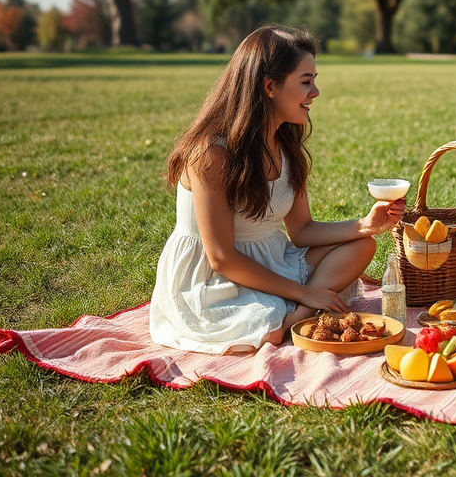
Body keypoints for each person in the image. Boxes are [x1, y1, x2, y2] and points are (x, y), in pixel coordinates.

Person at [149, 25, 405, 354]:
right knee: (265, 329)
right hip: (216, 278)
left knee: (362, 246)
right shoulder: (212, 154)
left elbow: (302, 231)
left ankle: (297, 317)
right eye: (305, 81)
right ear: (270, 86)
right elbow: (221, 258)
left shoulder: (284, 144)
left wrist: (365, 224)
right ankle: (298, 311)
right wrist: (303, 292)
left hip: (272, 259)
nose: (315, 92)